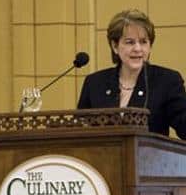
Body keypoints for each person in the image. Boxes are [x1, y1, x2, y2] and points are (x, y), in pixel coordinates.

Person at [77, 9, 186, 140]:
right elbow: (80, 133)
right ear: (115, 46)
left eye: (143, 42)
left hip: (150, 159)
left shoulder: (167, 81)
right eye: (130, 42)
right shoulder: (94, 83)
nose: (137, 49)